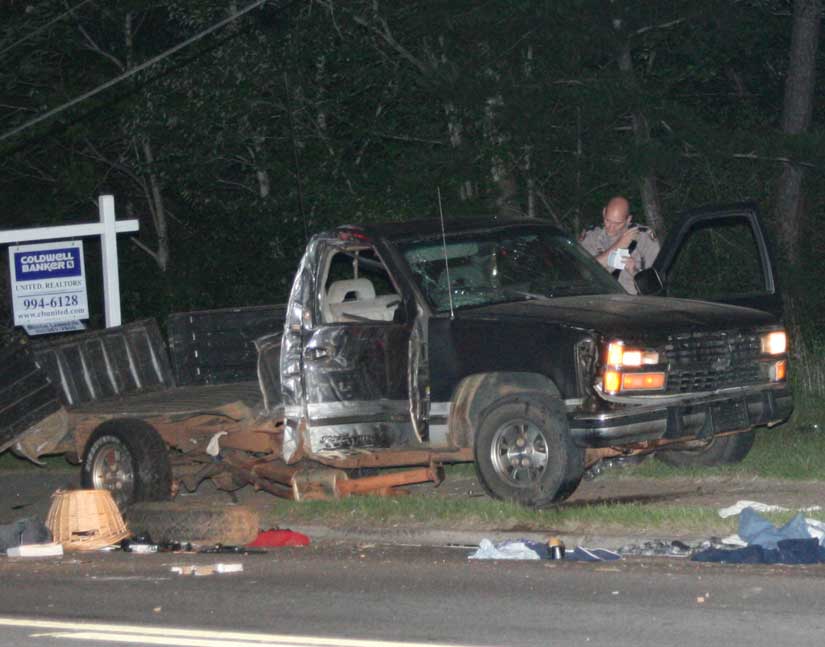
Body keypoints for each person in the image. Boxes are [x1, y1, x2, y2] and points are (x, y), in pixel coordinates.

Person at [578, 196, 660, 294]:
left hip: (633, 303)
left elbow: (655, 284)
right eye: (607, 220)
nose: (611, 228)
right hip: (598, 301)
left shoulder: (644, 238)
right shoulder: (591, 236)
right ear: (604, 212)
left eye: (617, 224)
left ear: (628, 219)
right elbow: (585, 269)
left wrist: (634, 271)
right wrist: (620, 244)